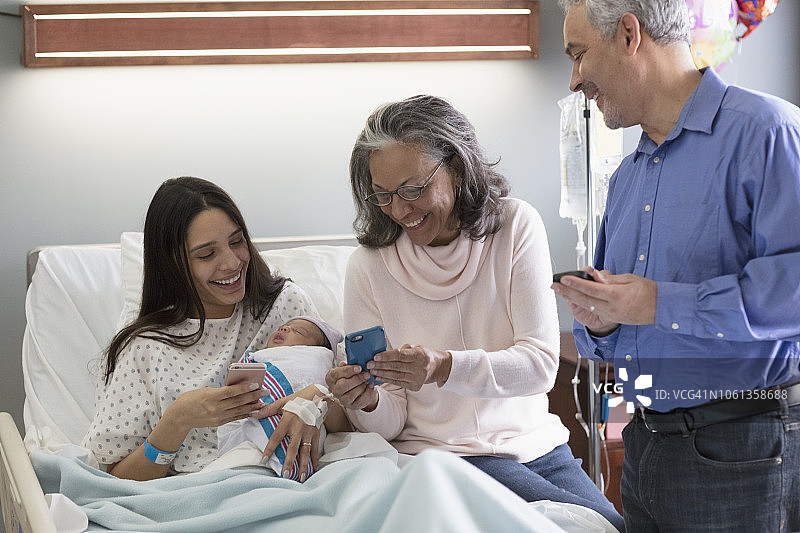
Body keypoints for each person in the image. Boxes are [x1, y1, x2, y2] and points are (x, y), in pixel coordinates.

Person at [325, 95, 624, 531]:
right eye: (384, 195)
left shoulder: (516, 226)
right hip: (439, 456)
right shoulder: (369, 267)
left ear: (458, 168)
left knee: (609, 524)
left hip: (537, 447)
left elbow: (540, 366)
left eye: (414, 189)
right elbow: (390, 420)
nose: (401, 210)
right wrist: (367, 401)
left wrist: (443, 366)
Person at [554, 1, 800, 531]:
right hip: (646, 445)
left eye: (578, 55)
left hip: (741, 452)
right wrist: (603, 321)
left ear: (627, 35)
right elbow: (618, 324)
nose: (575, 80)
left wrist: (659, 303)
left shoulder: (767, 133)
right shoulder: (624, 182)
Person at [82, 177, 349, 481]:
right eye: (207, 254)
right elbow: (113, 479)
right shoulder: (144, 349)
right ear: (174, 263)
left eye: (237, 242)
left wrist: (316, 402)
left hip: (296, 483)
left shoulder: (285, 308)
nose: (232, 262)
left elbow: (353, 416)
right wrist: (177, 420)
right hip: (205, 492)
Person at [218, 316, 347, 481]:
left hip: (299, 445)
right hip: (246, 446)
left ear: (317, 349)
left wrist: (317, 396)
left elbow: (314, 386)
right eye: (283, 327)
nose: (284, 329)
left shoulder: (314, 361)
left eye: (299, 331)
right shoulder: (256, 361)